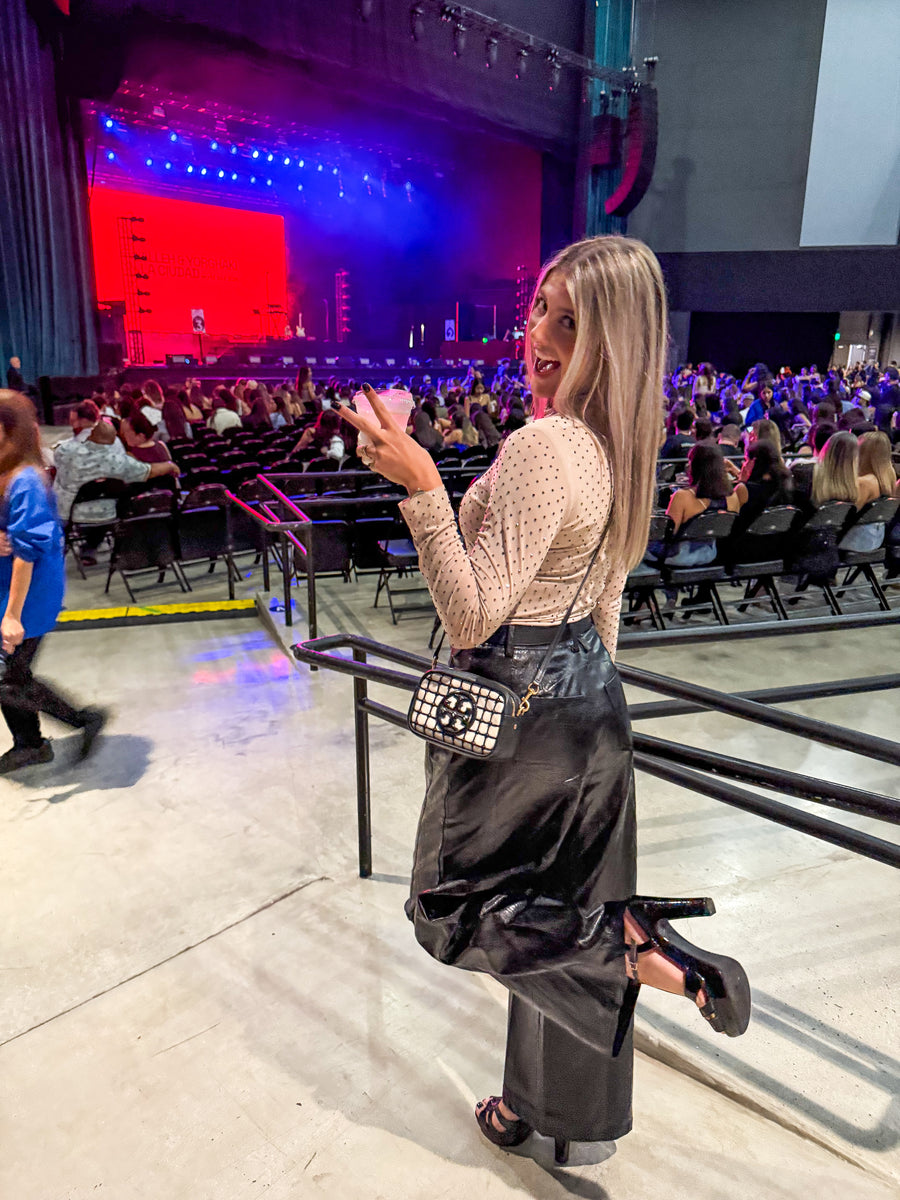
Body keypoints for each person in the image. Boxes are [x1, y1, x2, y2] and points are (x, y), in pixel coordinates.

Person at [337, 235, 750, 1166]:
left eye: (573, 320)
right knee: (552, 912)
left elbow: (474, 610)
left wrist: (424, 487)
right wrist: (582, 730)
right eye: (541, 310)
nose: (542, 335)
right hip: (589, 704)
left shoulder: (542, 446)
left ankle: (632, 948)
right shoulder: (618, 446)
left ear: (618, 336)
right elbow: (604, 604)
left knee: (453, 909)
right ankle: (542, 1100)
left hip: (517, 699)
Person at [0, 391, 105, 773]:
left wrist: (12, 615)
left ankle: (80, 720)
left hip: (27, 595)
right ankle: (30, 743)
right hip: (6, 587)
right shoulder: (4, 469)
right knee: (12, 677)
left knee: (9, 678)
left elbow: (26, 551)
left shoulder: (26, 479)